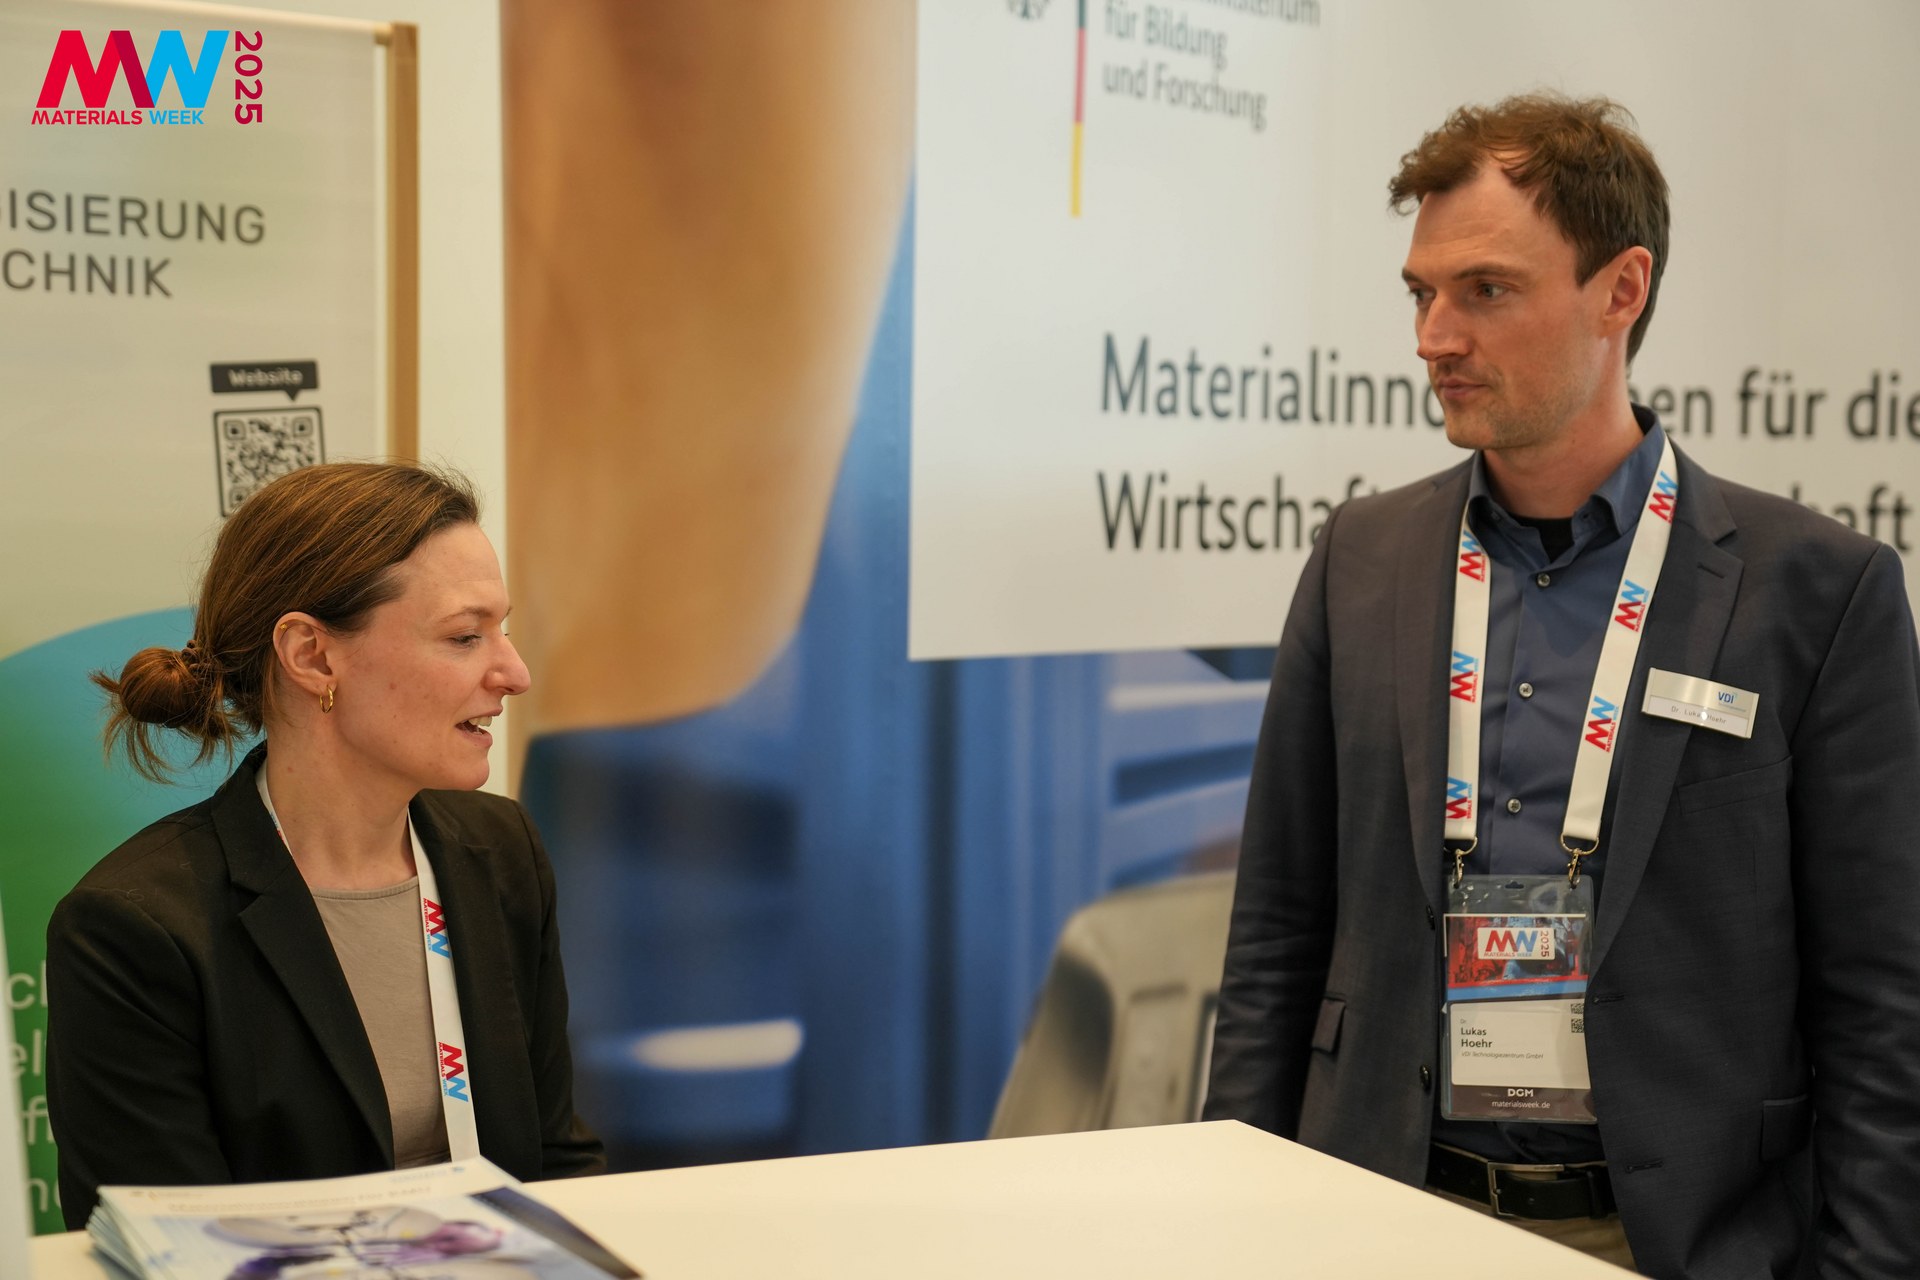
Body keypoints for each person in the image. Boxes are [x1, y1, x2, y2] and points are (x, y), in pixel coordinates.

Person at [1205, 93, 1920, 1277]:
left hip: (1672, 1238)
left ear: (1620, 290)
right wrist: (1232, 1215)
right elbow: (1276, 937)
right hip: (1378, 1216)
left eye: (1485, 289)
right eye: (1421, 293)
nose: (1435, 336)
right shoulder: (1359, 562)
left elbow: (1884, 1000)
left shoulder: (1817, 592)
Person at [47, 462, 605, 1230]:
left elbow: (557, 1163)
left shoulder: (499, 849)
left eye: (501, 632)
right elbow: (162, 1248)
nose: (513, 672)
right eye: (465, 636)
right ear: (312, 655)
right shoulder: (134, 927)